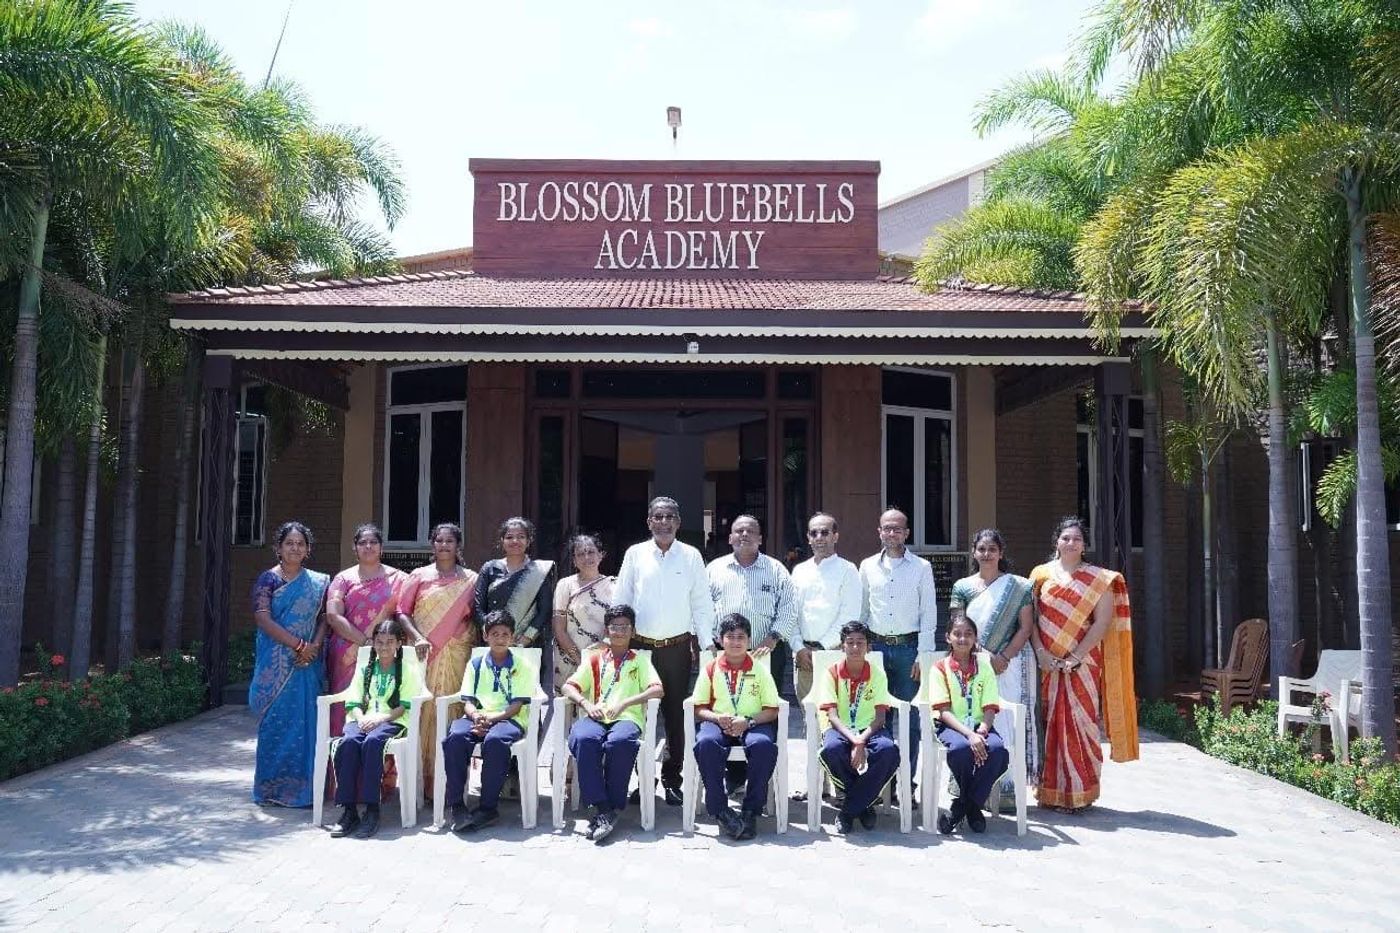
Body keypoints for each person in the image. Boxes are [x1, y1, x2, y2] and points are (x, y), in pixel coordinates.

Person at [1030, 516, 1139, 812]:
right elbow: (1031, 618)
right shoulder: (1040, 575)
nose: (1071, 543)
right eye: (1065, 538)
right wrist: (1040, 653)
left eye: (1077, 539)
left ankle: (1081, 793)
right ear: (1057, 542)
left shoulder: (1099, 579)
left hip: (1083, 664)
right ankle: (1049, 792)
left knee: (1082, 724)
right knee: (1048, 725)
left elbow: (1102, 622)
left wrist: (1076, 657)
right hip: (1047, 666)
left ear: (1084, 545)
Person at [614, 496, 713, 807]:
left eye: (670, 517)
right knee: (638, 714)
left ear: (678, 522)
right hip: (640, 648)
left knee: (675, 716)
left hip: (677, 648)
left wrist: (707, 644)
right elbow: (622, 598)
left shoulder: (691, 556)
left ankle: (672, 780)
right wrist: (617, 642)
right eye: (658, 517)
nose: (664, 522)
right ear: (649, 522)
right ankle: (642, 782)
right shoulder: (635, 554)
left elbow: (701, 602)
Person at [562, 604, 664, 844]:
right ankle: (604, 808)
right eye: (614, 627)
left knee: (620, 742)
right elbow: (568, 686)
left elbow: (658, 689)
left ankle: (609, 807)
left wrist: (626, 702)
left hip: (627, 718)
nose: (619, 632)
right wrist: (586, 704)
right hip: (595, 716)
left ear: (632, 631)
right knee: (584, 738)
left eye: (624, 627)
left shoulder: (640, 661)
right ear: (607, 630)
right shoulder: (595, 659)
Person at [948, 528, 1038, 798]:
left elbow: (1026, 627)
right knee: (971, 716)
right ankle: (968, 782)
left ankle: (1007, 787)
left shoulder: (1019, 586)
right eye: (982, 549)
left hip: (1010, 664)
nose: (986, 554)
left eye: (992, 549)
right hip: (972, 662)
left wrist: (1003, 657)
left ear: (1001, 553)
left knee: (1008, 720)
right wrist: (982, 656)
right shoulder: (962, 586)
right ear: (974, 552)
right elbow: (958, 626)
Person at [250, 521, 330, 807]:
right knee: (275, 725)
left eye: (300, 544)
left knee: (304, 726)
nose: (295, 548)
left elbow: (324, 618)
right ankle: (271, 790)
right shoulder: (268, 580)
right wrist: (299, 646)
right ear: (279, 548)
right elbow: (262, 618)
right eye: (289, 543)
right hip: (276, 665)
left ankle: (304, 791)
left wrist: (313, 647)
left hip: (307, 665)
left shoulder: (319, 582)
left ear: (308, 550)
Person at [395, 522, 477, 796]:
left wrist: (461, 633)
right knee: (423, 710)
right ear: (432, 544)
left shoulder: (471, 579)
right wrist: (418, 637)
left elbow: (477, 616)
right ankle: (422, 784)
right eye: (439, 541)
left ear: (458, 545)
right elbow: (402, 612)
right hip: (424, 653)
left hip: (456, 652)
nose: (444, 545)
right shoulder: (418, 576)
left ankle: (451, 784)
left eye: (449, 541)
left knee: (453, 709)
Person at [859, 508, 937, 789]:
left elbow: (928, 613)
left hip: (909, 651)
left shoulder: (921, 567)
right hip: (876, 649)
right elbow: (862, 609)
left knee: (910, 721)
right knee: (877, 718)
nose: (892, 533)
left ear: (907, 533)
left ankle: (906, 784)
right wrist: (863, 649)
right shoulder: (867, 566)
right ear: (879, 532)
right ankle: (881, 783)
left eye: (897, 529)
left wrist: (924, 655)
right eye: (887, 528)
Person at [440, 610, 537, 833]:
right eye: (495, 634)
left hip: (509, 719)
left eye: (505, 634)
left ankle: (488, 807)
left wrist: (490, 720)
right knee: (455, 737)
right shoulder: (475, 664)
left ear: (512, 637)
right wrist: (476, 716)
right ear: (485, 636)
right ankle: (457, 805)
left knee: (494, 741)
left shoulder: (522, 666)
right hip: (477, 716)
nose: (500, 639)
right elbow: (467, 701)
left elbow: (516, 706)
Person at [691, 613, 782, 841]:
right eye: (730, 637)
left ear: (749, 640)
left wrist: (748, 721)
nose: (735, 642)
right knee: (706, 743)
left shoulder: (760, 670)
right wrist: (716, 717)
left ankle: (751, 810)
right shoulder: (711, 668)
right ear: (720, 640)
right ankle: (720, 810)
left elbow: (772, 710)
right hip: (718, 721)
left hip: (752, 722)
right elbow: (698, 708)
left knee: (763, 745)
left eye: (741, 637)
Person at [329, 618, 421, 839]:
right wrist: (361, 718)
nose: (384, 647)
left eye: (390, 642)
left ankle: (372, 809)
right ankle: (349, 811)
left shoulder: (407, 670)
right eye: (379, 642)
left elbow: (403, 706)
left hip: (392, 720)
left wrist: (380, 720)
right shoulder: (365, 669)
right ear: (373, 643)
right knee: (348, 742)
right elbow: (353, 701)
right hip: (363, 719)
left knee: (372, 742)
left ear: (399, 643)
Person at [816, 621, 900, 834]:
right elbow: (832, 716)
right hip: (840, 728)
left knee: (888, 750)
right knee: (832, 749)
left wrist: (861, 739)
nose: (855, 647)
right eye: (850, 642)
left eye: (860, 642)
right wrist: (854, 740)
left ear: (868, 646)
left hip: (870, 728)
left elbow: (880, 717)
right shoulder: (831, 673)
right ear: (842, 646)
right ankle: (864, 804)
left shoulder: (877, 674)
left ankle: (849, 810)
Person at [930, 616, 1009, 835]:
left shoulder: (984, 667)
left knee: (998, 751)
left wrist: (982, 730)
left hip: (981, 726)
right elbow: (943, 711)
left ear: (975, 638)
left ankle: (962, 807)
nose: (962, 639)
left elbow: (990, 706)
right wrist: (970, 735)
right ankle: (973, 809)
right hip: (951, 726)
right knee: (960, 749)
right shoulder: (939, 668)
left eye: (968, 634)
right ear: (948, 637)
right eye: (957, 634)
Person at [326, 523, 406, 740]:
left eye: (373, 542)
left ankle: (380, 758)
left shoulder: (399, 579)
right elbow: (333, 616)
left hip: (385, 652)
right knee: (346, 703)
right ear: (355, 548)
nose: (368, 546)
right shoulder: (343, 579)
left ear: (382, 547)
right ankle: (341, 756)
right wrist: (364, 642)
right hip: (346, 653)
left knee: (382, 700)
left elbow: (404, 615)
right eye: (362, 542)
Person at [475, 517, 555, 693]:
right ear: (502, 541)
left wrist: (526, 638)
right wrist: (491, 634)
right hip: (493, 643)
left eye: (521, 537)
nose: (515, 541)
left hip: (526, 645)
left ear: (529, 541)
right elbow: (478, 607)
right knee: (491, 692)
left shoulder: (538, 571)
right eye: (509, 537)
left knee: (525, 693)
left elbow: (544, 610)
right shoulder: (490, 568)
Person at [791, 511, 862, 702]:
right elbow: (791, 613)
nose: (819, 537)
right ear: (808, 538)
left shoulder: (847, 570)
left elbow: (849, 615)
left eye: (824, 532)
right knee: (808, 712)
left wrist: (821, 648)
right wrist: (798, 648)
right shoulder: (799, 571)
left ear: (835, 536)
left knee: (834, 712)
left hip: (833, 653)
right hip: (803, 657)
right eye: (814, 533)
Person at [552, 532, 614, 693]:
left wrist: (598, 654)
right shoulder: (565, 585)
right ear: (574, 560)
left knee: (600, 702)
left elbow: (619, 625)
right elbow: (559, 629)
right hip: (568, 658)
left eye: (591, 552)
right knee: (567, 703)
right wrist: (579, 660)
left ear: (601, 555)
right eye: (580, 554)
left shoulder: (615, 585)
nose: (586, 557)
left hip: (603, 657)